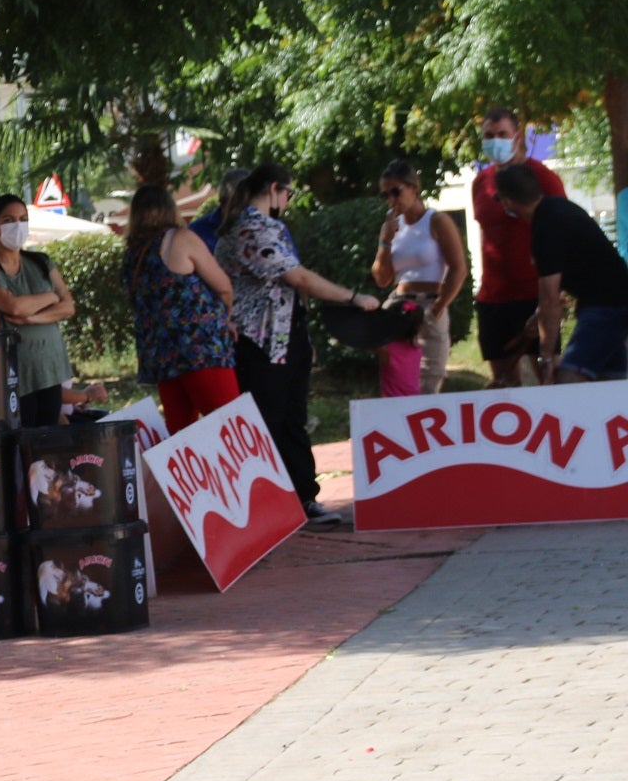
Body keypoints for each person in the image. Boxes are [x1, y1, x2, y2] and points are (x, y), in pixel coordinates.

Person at [214, 163, 376, 528]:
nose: (288, 201)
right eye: (288, 194)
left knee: (292, 422)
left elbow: (291, 289)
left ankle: (302, 499)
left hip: (285, 339)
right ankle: (265, 508)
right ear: (274, 188)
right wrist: (352, 297)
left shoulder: (266, 227)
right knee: (266, 424)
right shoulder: (250, 230)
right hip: (260, 343)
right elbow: (297, 276)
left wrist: (306, 340)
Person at [491, 165, 628, 383]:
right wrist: (540, 314)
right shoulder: (558, 208)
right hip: (613, 301)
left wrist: (546, 358)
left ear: (507, 201)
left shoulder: (545, 230)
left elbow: (550, 300)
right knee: (609, 381)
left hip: (607, 307)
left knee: (568, 378)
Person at [123, 183, 241, 433]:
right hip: (201, 350)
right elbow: (224, 287)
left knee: (182, 435)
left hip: (163, 359)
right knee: (232, 430)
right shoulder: (181, 238)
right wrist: (225, 319)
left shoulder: (133, 254)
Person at [471, 107, 565, 386]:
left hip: (535, 295)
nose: (495, 140)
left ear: (517, 136)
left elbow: (563, 236)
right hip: (493, 298)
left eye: (502, 134)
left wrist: (553, 299)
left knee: (551, 380)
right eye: (489, 135)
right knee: (503, 387)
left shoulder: (543, 178)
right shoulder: (480, 182)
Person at [370, 160, 466, 396]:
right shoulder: (394, 225)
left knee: (427, 384)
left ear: (413, 188)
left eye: (396, 192)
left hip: (429, 302)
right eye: (385, 195)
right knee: (396, 382)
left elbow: (458, 268)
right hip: (399, 304)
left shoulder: (436, 221)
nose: (391, 200)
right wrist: (385, 242)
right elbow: (382, 279)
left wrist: (438, 308)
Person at [0, 193, 75, 426]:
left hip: (49, 367)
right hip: (16, 370)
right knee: (24, 436)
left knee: (48, 436)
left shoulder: (41, 262)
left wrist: (34, 317)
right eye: (8, 220)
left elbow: (68, 306)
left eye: (23, 219)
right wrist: (51, 296)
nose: (17, 225)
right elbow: (13, 306)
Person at [187, 166, 249, 252]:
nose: (248, 209)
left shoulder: (267, 227)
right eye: (239, 202)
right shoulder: (197, 231)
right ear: (222, 201)